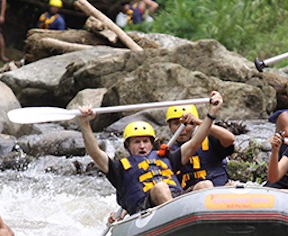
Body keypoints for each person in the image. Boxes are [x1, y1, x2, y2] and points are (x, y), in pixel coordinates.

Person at [78, 93, 224, 217]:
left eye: (145, 141)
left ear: (152, 143)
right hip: (145, 209)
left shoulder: (168, 158)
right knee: (160, 187)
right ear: (126, 146)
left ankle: (211, 224)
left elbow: (195, 142)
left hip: (176, 199)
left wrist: (212, 113)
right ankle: (176, 222)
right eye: (136, 142)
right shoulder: (118, 168)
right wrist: (85, 123)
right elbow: (95, 152)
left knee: (206, 184)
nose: (142, 146)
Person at [165, 104, 235, 190]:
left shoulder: (210, 140)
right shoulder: (168, 152)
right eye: (176, 124)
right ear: (169, 125)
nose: (182, 129)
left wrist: (201, 123)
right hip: (189, 197)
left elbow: (230, 139)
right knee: (205, 185)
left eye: (186, 124)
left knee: (233, 186)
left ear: (194, 125)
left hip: (219, 193)